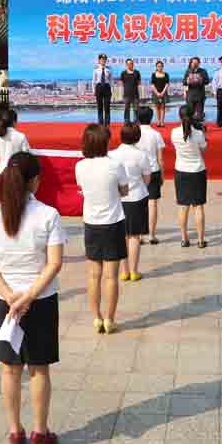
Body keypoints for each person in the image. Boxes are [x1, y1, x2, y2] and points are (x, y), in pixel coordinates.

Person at [0, 152, 64, 444]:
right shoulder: (48, 215)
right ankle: (40, 433)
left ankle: (15, 433)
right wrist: (28, 296)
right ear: (35, 181)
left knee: (10, 370)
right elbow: (54, 263)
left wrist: (10, 295)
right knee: (39, 369)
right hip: (41, 301)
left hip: (6, 304)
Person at [75, 124, 128, 334]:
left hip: (91, 223)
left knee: (93, 275)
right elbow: (124, 190)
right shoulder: (115, 165)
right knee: (111, 276)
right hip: (113, 222)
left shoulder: (80, 166)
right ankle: (110, 318)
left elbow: (82, 188)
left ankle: (96, 317)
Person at [110, 123, 152, 281]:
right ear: (137, 137)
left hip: (118, 198)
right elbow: (147, 178)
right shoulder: (141, 155)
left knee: (123, 236)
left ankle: (124, 271)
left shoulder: (112, 154)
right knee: (134, 236)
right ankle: (134, 271)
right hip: (136, 197)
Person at [172, 105, 209, 248]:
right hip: (197, 170)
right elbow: (204, 149)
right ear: (193, 115)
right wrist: (203, 133)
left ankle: (184, 239)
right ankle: (200, 240)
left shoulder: (174, 132)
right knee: (198, 206)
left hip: (181, 171)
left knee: (183, 206)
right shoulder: (198, 133)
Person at [135, 107, 166, 245]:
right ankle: (152, 235)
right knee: (152, 203)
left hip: (137, 171)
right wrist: (162, 175)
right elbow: (160, 159)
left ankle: (140, 235)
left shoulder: (135, 133)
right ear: (151, 117)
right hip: (153, 170)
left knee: (138, 203)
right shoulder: (156, 134)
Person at [0, 109, 30, 175]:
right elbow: (27, 156)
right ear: (14, 122)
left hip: (1, 172)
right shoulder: (21, 136)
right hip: (16, 173)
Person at [182, 57, 209, 121]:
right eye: (193, 63)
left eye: (196, 63)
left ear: (199, 63)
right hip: (190, 95)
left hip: (200, 94)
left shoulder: (203, 71)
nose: (194, 64)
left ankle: (199, 125)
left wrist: (201, 80)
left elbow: (207, 81)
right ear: (191, 63)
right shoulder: (188, 71)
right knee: (190, 112)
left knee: (199, 113)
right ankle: (191, 125)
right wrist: (187, 81)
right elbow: (184, 82)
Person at [92, 53, 113, 126]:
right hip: (99, 87)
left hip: (107, 87)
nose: (103, 61)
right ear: (99, 60)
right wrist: (94, 90)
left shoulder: (109, 69)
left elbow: (111, 80)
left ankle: (107, 123)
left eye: (104, 59)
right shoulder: (96, 69)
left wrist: (111, 90)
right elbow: (93, 81)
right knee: (100, 106)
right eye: (101, 59)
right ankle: (100, 123)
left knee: (107, 106)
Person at [120, 58, 141, 124]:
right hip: (126, 94)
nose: (130, 65)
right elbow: (122, 83)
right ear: (126, 65)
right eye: (128, 64)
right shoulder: (123, 73)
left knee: (136, 109)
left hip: (135, 94)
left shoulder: (137, 72)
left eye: (131, 63)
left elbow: (139, 82)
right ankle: (126, 121)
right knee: (127, 109)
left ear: (133, 64)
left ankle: (135, 122)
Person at [150, 60, 170, 127]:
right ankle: (158, 121)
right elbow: (152, 84)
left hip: (163, 92)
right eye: (158, 66)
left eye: (161, 66)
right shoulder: (153, 74)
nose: (160, 67)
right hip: (156, 93)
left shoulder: (166, 74)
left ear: (163, 67)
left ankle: (162, 122)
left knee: (163, 107)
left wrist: (163, 92)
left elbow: (167, 84)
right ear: (156, 67)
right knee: (157, 107)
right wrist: (157, 93)